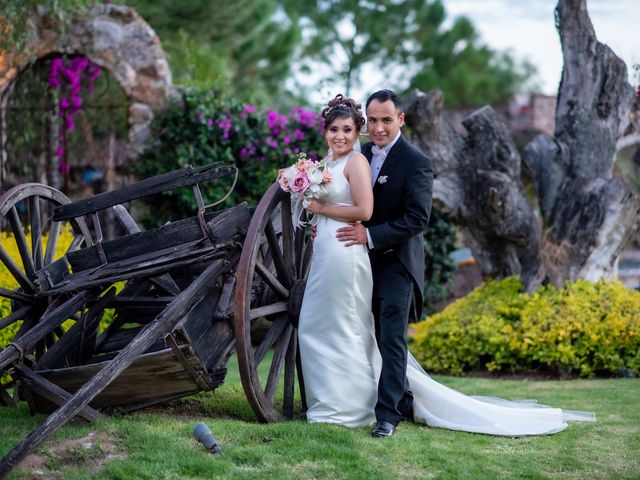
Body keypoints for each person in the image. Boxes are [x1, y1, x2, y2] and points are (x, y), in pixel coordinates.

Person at [297, 91, 595, 437]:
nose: (379, 128)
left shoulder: (416, 161)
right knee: (360, 336)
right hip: (356, 264)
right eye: (374, 120)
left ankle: (387, 417)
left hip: (395, 264)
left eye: (386, 120)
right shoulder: (358, 154)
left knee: (391, 340)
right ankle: (363, 398)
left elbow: (416, 220)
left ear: (401, 120)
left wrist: (370, 236)